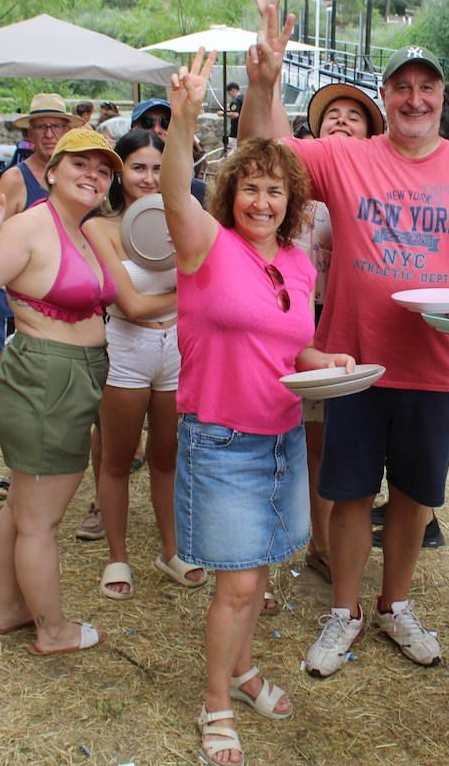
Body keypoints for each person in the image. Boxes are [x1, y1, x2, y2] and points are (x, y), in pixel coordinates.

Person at [240, 0, 449, 679]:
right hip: (353, 363)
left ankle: (395, 605)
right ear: (386, 98)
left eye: (427, 87)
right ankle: (344, 612)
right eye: (402, 87)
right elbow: (266, 154)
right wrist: (266, 82)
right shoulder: (347, 157)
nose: (415, 98)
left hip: (436, 365)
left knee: (416, 496)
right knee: (349, 492)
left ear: (442, 98)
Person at [164, 50, 353, 766]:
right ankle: (216, 702)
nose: (262, 202)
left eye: (275, 190)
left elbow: (287, 347)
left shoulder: (298, 263)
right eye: (249, 188)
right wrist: (183, 120)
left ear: (292, 201)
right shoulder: (205, 247)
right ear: (230, 195)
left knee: (260, 573)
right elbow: (175, 191)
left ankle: (242, 673)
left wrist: (322, 360)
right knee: (239, 585)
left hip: (279, 438)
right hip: (220, 438)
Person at [0, 127, 124, 657]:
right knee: (41, 521)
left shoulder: (85, 229)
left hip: (72, 376)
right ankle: (53, 629)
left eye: (103, 169)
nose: (93, 175)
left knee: (23, 510)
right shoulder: (29, 226)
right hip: (46, 380)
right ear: (50, 170)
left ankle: (12, 609)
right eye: (81, 164)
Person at [81, 127, 196, 599]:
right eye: (138, 167)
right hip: (126, 352)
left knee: (168, 458)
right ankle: (117, 557)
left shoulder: (185, 219)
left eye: (157, 167)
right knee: (116, 458)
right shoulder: (99, 227)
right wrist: (189, 297)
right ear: (119, 172)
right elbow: (128, 305)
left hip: (175, 353)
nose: (148, 178)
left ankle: (170, 550)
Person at [296, 82, 386, 581]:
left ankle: (327, 540)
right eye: (333, 115)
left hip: (346, 322)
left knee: (332, 441)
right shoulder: (292, 181)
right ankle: (307, 538)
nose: (343, 121)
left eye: (355, 116)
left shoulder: (378, 184)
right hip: (296, 320)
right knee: (296, 439)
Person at [0, 94, 85, 422]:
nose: (49, 133)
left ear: (67, 129)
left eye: (55, 125)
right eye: (41, 127)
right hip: (18, 289)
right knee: (4, 350)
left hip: (64, 289)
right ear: (30, 133)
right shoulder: (15, 177)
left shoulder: (79, 172)